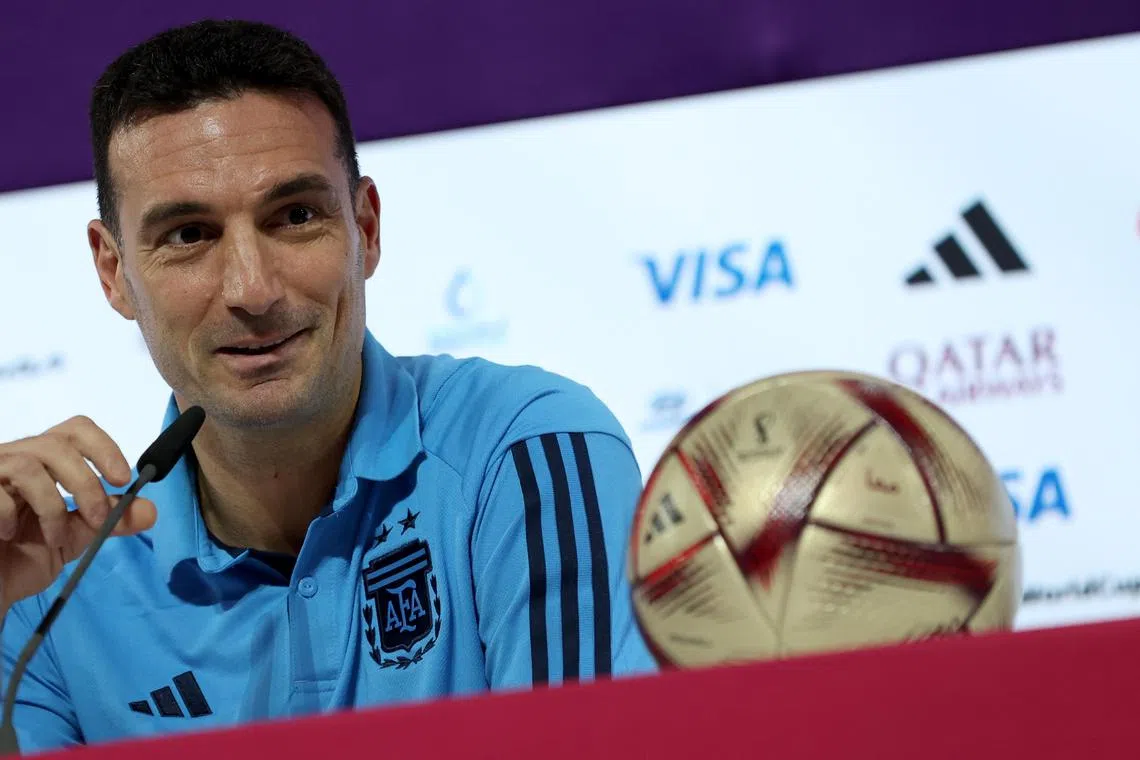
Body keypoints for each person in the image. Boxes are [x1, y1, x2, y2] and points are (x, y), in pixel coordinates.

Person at [0, 19, 655, 752]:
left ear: (365, 229)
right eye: (189, 234)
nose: (252, 289)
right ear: (114, 272)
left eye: (296, 216)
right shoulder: (44, 581)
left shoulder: (527, 452)